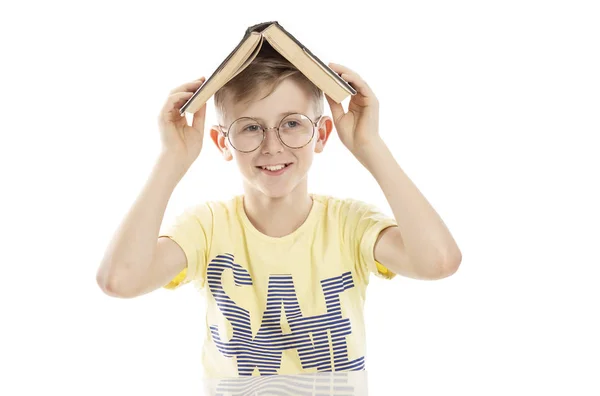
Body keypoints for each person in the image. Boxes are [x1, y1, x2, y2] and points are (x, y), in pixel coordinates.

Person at [96, 43, 462, 379]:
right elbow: (120, 280)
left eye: (292, 123)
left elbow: (439, 262)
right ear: (223, 143)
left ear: (321, 135)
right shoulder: (206, 228)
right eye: (251, 127)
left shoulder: (349, 225)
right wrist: (171, 159)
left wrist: (370, 145)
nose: (273, 146)